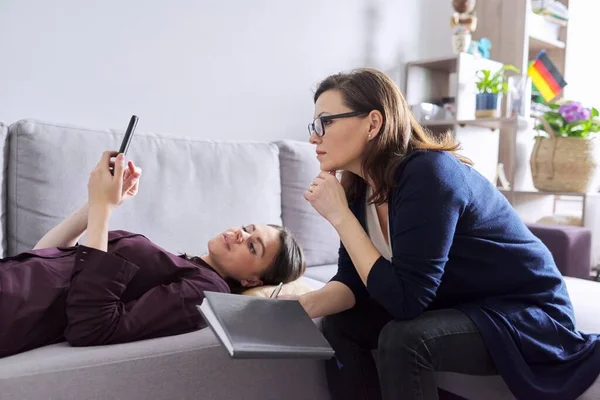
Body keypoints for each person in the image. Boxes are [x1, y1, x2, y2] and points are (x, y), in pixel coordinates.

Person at [280, 68, 600, 400]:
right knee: (340, 323)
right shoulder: (359, 189)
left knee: (404, 337)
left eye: (326, 122)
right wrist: (304, 305)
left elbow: (406, 302)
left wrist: (340, 217)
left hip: (523, 311)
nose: (314, 137)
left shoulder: (428, 174)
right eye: (314, 126)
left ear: (373, 123)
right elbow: (354, 278)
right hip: (464, 304)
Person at [0, 151, 305, 359]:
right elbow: (46, 255)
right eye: (247, 228)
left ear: (252, 279)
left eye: (253, 246)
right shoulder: (178, 262)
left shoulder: (206, 289)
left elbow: (92, 326)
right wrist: (99, 207)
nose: (241, 234)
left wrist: (102, 209)